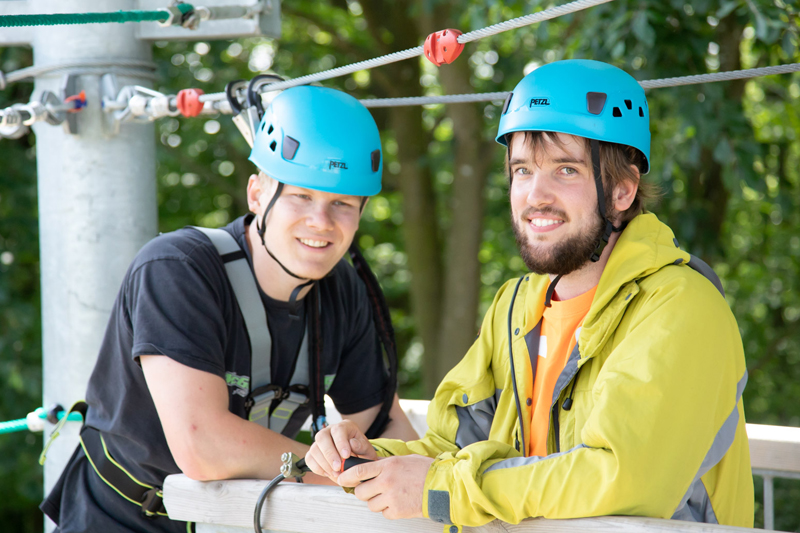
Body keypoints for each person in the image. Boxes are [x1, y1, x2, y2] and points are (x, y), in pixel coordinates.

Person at [305, 60, 754, 528]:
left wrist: (441, 493)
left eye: (565, 170)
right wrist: (371, 458)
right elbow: (454, 448)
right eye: (522, 170)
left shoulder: (679, 307)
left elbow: (624, 479)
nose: (535, 195)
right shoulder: (516, 306)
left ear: (622, 191)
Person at [40, 85, 418, 533]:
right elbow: (204, 446)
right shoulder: (178, 270)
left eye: (341, 204)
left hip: (234, 520)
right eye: (301, 195)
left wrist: (422, 479)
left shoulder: (344, 293)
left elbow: (386, 425)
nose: (321, 222)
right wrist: (340, 473)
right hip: (121, 518)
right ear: (257, 194)